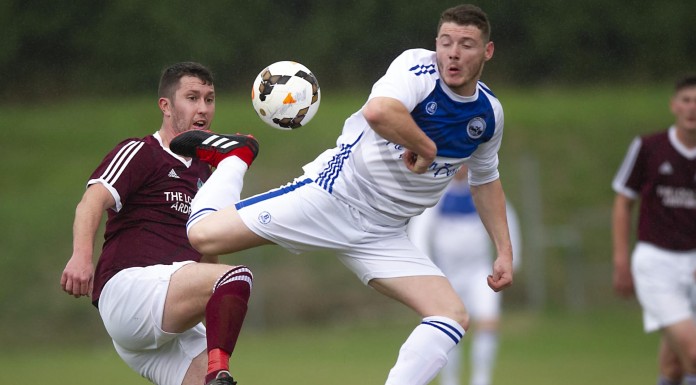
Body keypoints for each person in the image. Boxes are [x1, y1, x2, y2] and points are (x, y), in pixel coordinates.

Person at [171, 4, 513, 385]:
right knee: (202, 235)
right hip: (333, 196)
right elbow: (379, 111)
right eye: (446, 42)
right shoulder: (418, 68)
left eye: (466, 44)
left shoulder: (488, 114)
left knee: (451, 314)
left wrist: (504, 250)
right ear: (436, 44)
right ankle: (235, 156)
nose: (453, 52)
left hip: (384, 233)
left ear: (487, 51)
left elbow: (486, 179)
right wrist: (426, 147)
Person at [60, 62, 257, 385]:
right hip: (129, 292)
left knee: (226, 283)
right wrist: (81, 257)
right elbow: (91, 202)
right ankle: (219, 370)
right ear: (165, 106)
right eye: (192, 97)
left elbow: (207, 248)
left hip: (166, 313)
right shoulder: (142, 152)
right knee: (236, 276)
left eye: (209, 99)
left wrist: (216, 301)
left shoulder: (205, 174)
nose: (203, 109)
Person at [612, 75, 696, 385]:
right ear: (674, 105)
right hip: (656, 262)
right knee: (695, 356)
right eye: (686, 100)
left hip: (694, 264)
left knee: (674, 367)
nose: (692, 108)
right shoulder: (649, 147)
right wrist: (621, 259)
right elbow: (623, 202)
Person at [408, 165, 521, 385]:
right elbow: (419, 233)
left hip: (480, 273)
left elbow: (507, 224)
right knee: (448, 328)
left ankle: (482, 380)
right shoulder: (437, 193)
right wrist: (426, 270)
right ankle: (450, 381)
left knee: (488, 322)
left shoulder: (483, 191)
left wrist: (509, 261)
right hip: (445, 275)